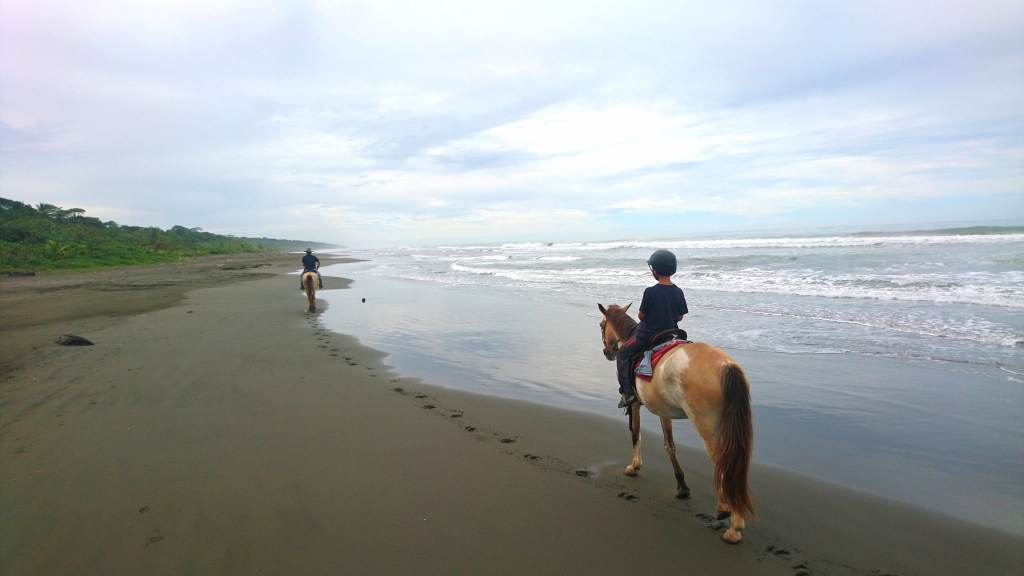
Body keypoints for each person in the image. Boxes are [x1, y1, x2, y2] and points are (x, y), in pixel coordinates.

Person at [616, 249, 688, 408]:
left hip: (649, 335)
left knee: (623, 353)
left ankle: (627, 393)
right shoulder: (678, 291)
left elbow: (641, 316)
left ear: (654, 270)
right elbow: (680, 317)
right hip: (671, 335)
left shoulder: (650, 291)